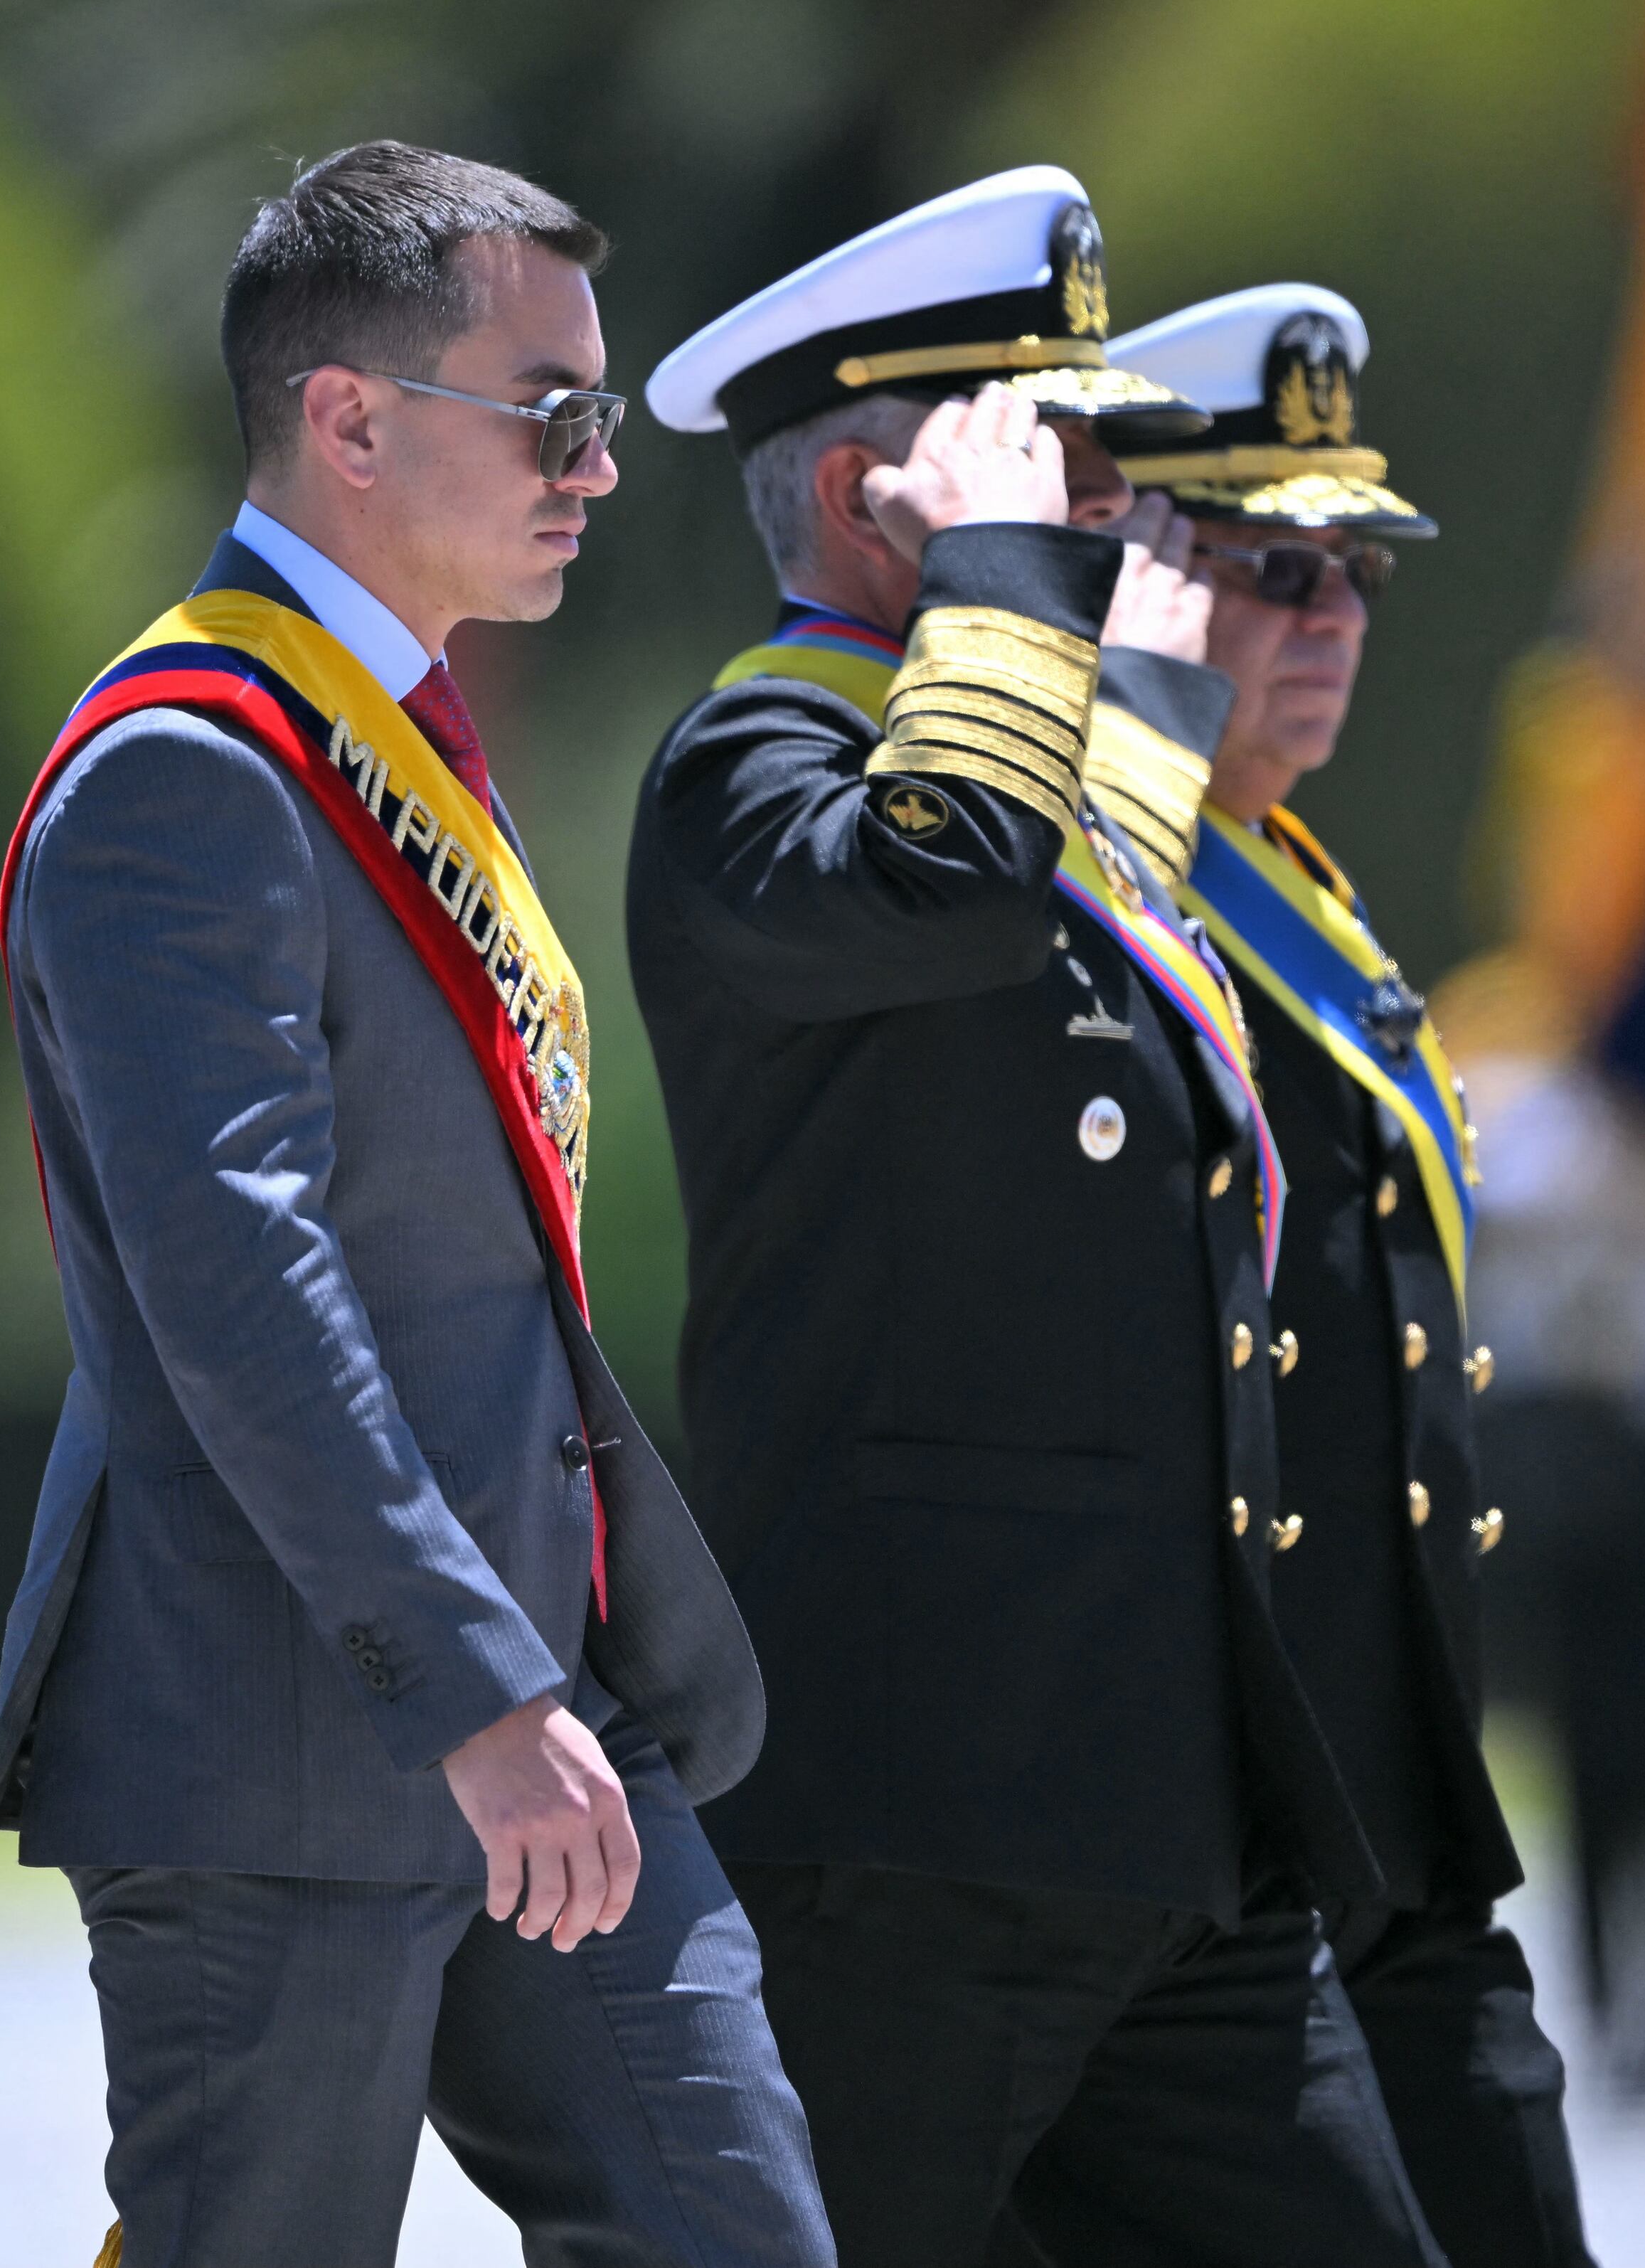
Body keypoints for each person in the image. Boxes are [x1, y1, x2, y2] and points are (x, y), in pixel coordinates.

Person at [0, 139, 830, 2266]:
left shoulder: (387, 741)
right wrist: (473, 1689)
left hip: (545, 1708)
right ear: (349, 421)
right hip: (293, 1736)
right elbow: (242, 1287)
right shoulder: (192, 765)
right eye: (550, 412)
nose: (596, 469)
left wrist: (532, 1687)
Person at [629, 171, 1442, 2267]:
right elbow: (937, 879)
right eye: (1047, 461)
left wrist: (1109, 708)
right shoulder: (755, 764)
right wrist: (1007, 600)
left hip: (1167, 1816)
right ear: (867, 500)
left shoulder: (1039, 782)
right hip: (925, 1815)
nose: (1105, 509)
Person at [1110, 282, 1595, 2262]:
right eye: (1277, 571)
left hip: (1397, 1780)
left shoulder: (1302, 881)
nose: (1335, 621)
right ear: (1147, 579)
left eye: (1361, 574)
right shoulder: (1117, 909)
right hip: (1244, 1812)